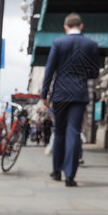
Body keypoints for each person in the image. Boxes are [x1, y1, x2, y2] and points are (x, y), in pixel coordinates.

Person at [41, 13, 99, 187]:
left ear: (65, 27)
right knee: (73, 131)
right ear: (81, 26)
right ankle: (70, 175)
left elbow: (49, 70)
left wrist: (44, 95)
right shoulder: (91, 44)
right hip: (79, 94)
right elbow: (94, 73)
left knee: (59, 131)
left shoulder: (58, 43)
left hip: (60, 94)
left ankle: (56, 171)